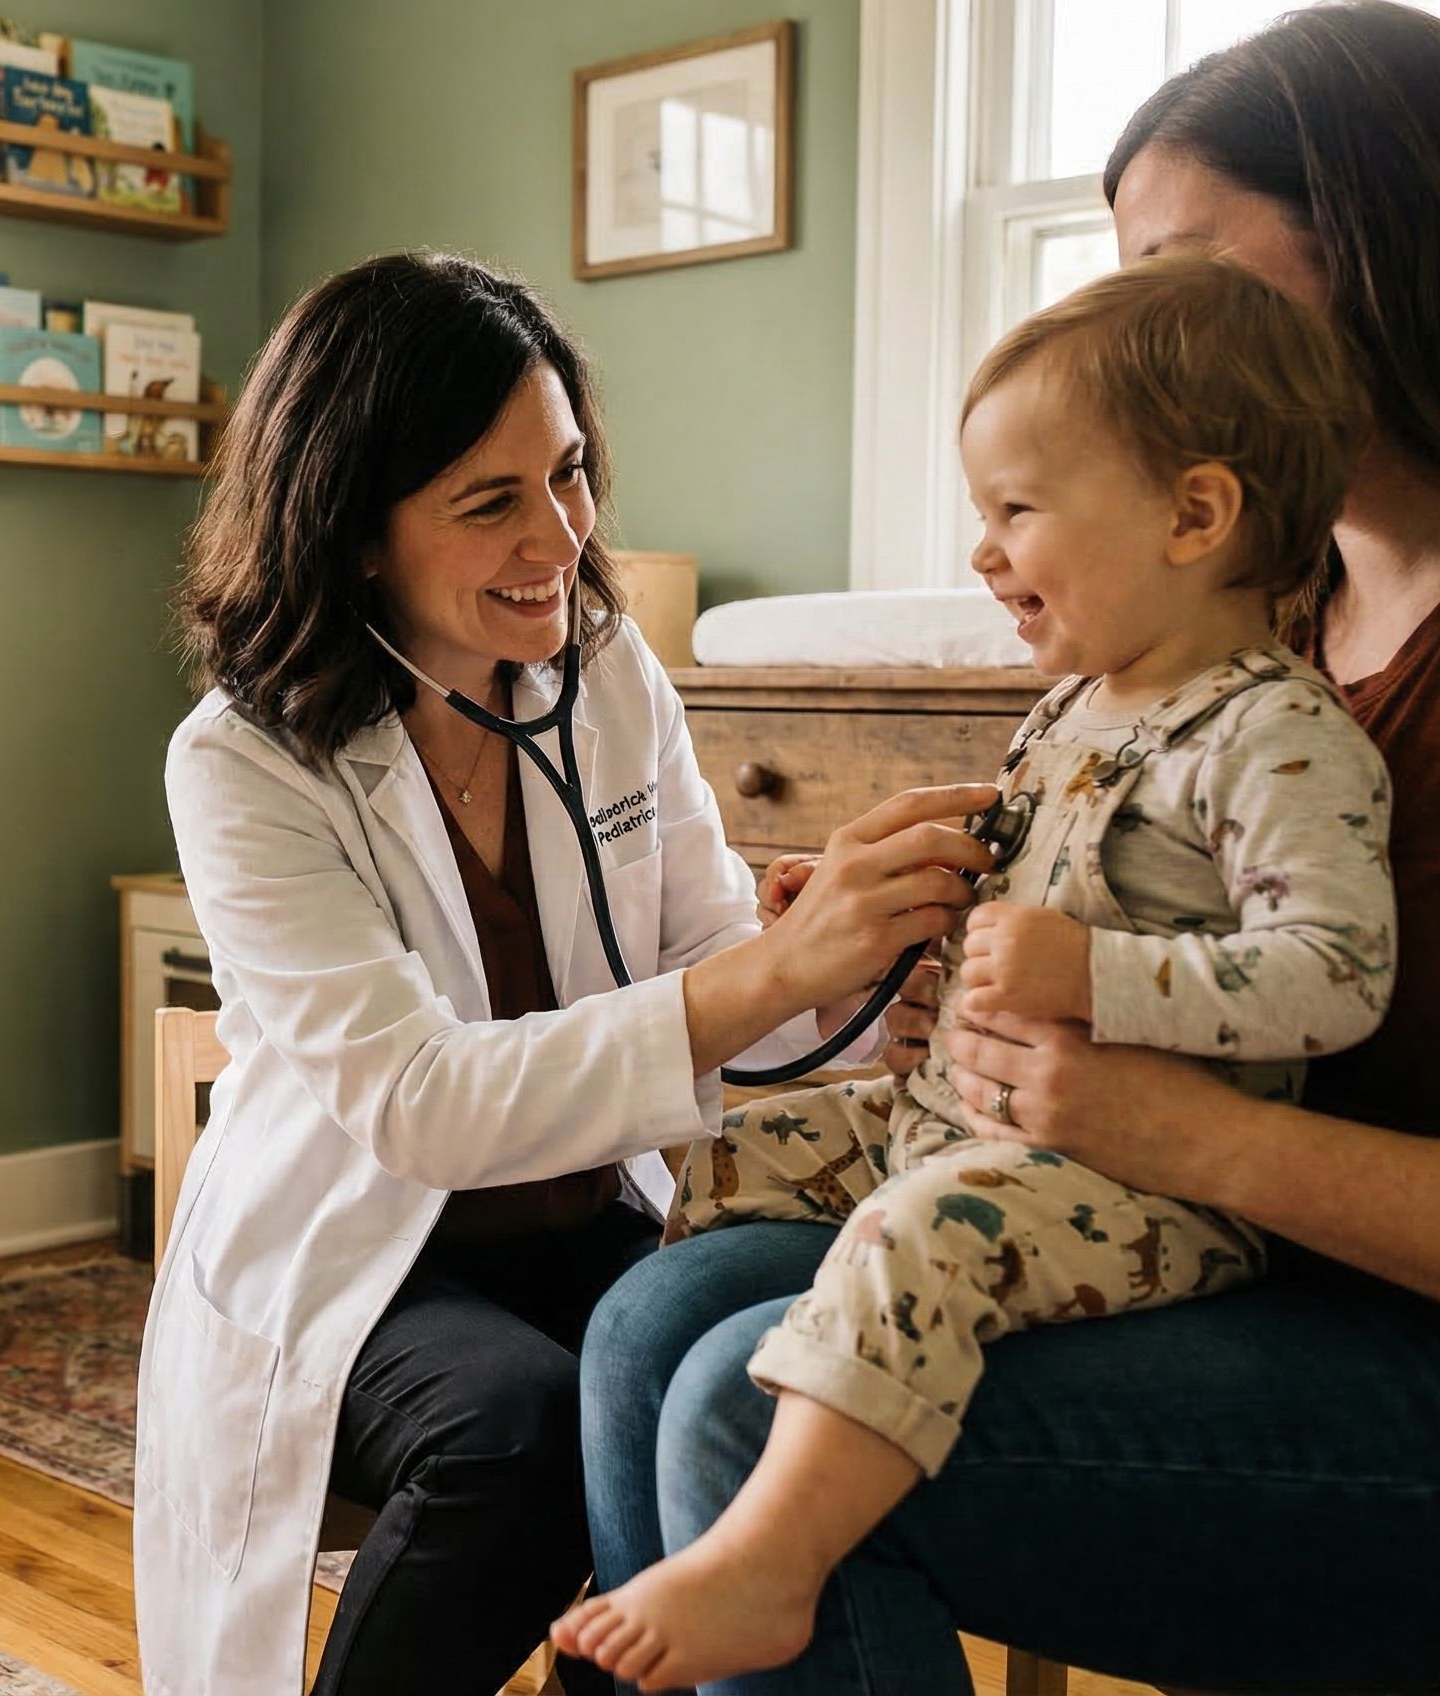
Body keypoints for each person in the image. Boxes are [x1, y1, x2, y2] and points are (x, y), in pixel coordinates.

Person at [573, 5, 1440, 1691]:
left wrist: (1173, 1124)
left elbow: (1251, 1007)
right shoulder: (1223, 637)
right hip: (1221, 1240)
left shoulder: (1286, 690)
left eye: (1186, 271)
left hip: (1405, 1331)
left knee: (741, 1394)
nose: (1138, 329)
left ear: (1398, 232)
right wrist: (944, 969)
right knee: (647, 1325)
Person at [133, 250, 999, 1696]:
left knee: (738, 1393)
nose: (561, 536)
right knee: (519, 1433)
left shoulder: (606, 676)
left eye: (571, 475)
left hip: (592, 1214)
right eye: (491, 502)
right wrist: (770, 970)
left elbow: (700, 952)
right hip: (368, 1261)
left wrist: (839, 976)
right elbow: (422, 1106)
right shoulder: (242, 761)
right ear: (354, 531)